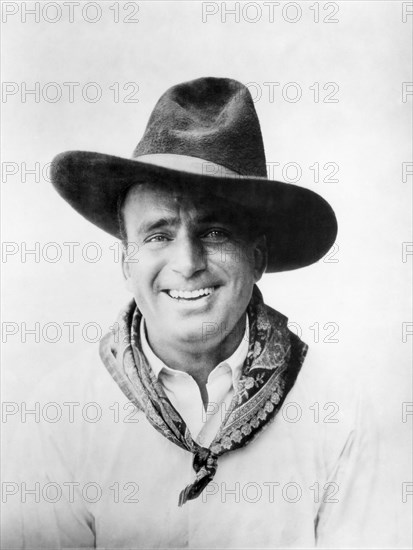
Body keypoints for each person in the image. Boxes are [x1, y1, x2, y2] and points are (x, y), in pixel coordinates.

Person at [4, 77, 388, 549]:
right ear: (127, 259)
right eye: (158, 235)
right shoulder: (60, 415)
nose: (187, 264)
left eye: (215, 233)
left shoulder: (340, 411)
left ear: (258, 257)